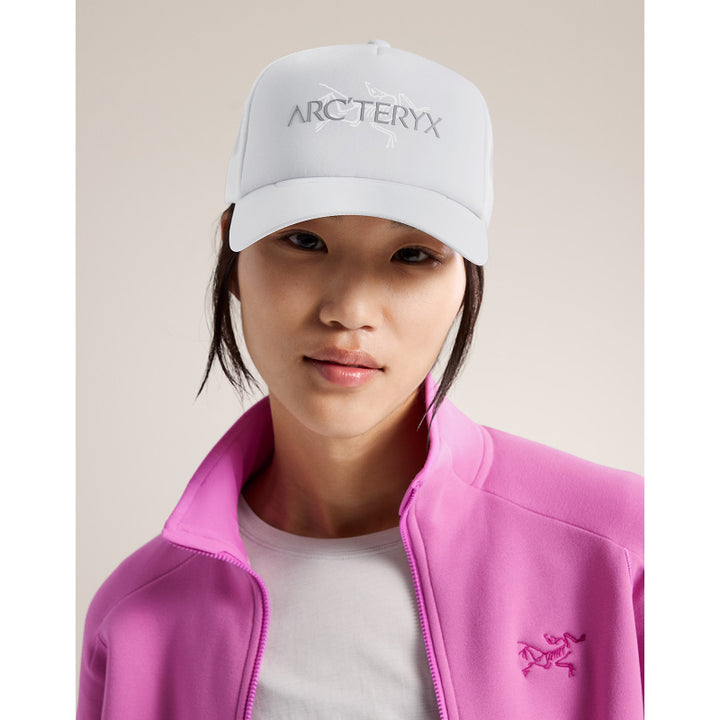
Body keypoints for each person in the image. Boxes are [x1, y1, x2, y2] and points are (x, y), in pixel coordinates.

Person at [77, 40, 643, 720]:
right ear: (233, 249)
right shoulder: (137, 619)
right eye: (304, 241)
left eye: (412, 255)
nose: (348, 309)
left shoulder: (625, 552)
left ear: (465, 282)